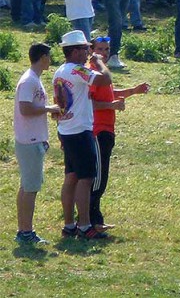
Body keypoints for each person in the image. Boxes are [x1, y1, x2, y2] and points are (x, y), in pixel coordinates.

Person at [53, 30, 114, 240]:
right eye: (85, 49)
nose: (88, 52)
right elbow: (105, 80)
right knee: (86, 178)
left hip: (66, 130)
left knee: (70, 177)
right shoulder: (78, 70)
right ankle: (85, 225)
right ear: (75, 51)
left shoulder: (60, 70)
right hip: (80, 131)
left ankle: (69, 224)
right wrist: (99, 62)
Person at [86, 37, 148, 232]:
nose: (104, 53)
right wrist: (110, 106)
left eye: (106, 49)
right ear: (91, 50)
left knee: (102, 178)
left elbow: (109, 94)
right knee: (97, 179)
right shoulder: (93, 72)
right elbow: (89, 102)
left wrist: (133, 91)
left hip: (107, 129)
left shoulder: (102, 72)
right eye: (100, 49)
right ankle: (92, 221)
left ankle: (94, 219)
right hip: (98, 130)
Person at [13, 43, 61, 244]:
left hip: (32, 139)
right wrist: (49, 109)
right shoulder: (29, 81)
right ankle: (26, 232)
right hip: (29, 141)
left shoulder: (34, 80)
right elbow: (25, 108)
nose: (50, 60)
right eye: (48, 56)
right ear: (42, 57)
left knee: (27, 186)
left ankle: (23, 230)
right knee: (30, 188)